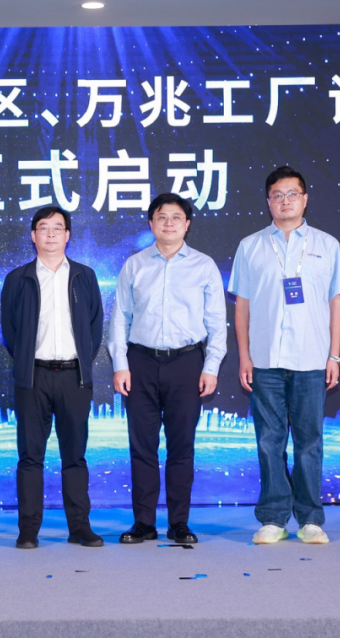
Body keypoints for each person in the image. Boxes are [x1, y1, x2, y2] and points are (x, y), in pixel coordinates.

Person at [229, 166, 340, 545]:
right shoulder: (250, 246)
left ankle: (310, 519)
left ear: (305, 199)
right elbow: (242, 306)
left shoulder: (327, 245)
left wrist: (334, 356)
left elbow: (335, 302)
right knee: (269, 441)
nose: (285, 201)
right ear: (268, 202)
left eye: (292, 194)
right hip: (265, 360)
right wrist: (244, 357)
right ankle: (273, 518)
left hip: (312, 359)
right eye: (277, 195)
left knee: (309, 441)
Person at [108, 193, 227, 545]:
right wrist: (120, 364)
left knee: (181, 447)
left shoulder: (204, 266)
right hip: (140, 363)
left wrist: (211, 366)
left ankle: (179, 524)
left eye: (176, 217)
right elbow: (120, 318)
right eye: (162, 217)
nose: (169, 223)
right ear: (151, 223)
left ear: (187, 224)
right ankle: (143, 523)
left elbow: (216, 322)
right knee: (142, 447)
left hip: (187, 363)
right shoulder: (135, 265)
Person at [0, 206, 104, 549]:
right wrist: (28, 360)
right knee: (30, 457)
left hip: (74, 377)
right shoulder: (18, 278)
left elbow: (94, 328)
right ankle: (28, 530)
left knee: (75, 457)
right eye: (43, 228)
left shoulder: (85, 276)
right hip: (33, 378)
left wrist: (80, 360)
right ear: (33, 236)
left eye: (57, 228)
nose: (50, 234)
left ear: (68, 235)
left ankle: (80, 528)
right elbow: (10, 331)